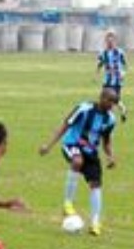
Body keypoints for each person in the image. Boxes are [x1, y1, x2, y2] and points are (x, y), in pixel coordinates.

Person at [38, 87, 119, 236]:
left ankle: (95, 223)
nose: (111, 106)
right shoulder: (84, 109)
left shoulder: (110, 119)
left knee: (96, 184)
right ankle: (68, 203)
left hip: (91, 152)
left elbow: (106, 141)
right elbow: (65, 125)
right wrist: (48, 145)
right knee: (77, 161)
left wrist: (110, 156)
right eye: (110, 101)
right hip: (71, 144)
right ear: (102, 98)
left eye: (114, 103)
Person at [96, 31, 128, 120]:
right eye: (108, 41)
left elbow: (124, 64)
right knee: (105, 98)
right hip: (107, 80)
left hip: (117, 80)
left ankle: (120, 111)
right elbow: (100, 63)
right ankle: (121, 111)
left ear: (115, 41)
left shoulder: (119, 52)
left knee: (115, 99)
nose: (110, 43)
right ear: (106, 41)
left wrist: (123, 73)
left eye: (112, 41)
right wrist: (97, 73)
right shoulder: (103, 53)